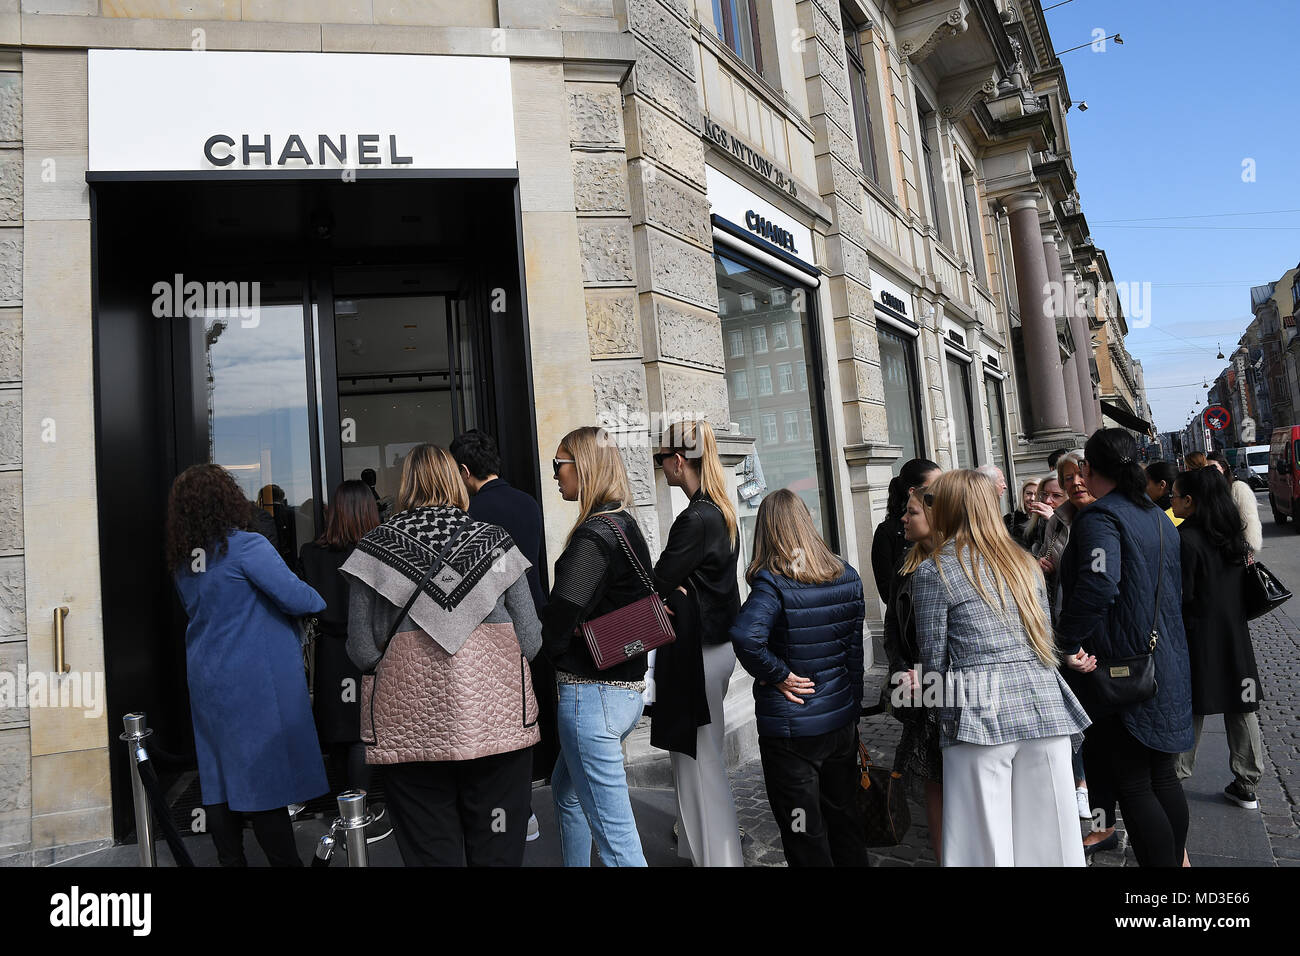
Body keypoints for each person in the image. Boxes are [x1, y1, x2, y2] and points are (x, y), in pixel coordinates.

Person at [342, 444, 542, 867]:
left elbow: (360, 650)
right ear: (457, 480)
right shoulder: (494, 544)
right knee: (497, 850)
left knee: (433, 853)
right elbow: (530, 639)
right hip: (496, 726)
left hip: (410, 731)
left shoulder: (374, 550)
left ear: (405, 485)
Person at [912, 470, 1090, 867]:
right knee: (1053, 843)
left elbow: (934, 663)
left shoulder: (934, 571)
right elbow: (1044, 637)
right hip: (1041, 703)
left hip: (977, 711)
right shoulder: (1024, 563)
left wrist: (941, 723)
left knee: (982, 845)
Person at [167, 463, 329, 867]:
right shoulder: (246, 546)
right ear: (227, 499)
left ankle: (231, 861)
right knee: (264, 783)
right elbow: (302, 599)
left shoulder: (186, 559)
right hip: (253, 679)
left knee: (219, 780)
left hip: (206, 677)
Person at [1057, 429, 1194, 867]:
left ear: (1090, 471)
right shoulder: (1155, 515)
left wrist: (1065, 640)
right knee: (1162, 777)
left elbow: (1099, 583)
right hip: (1164, 662)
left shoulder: (1102, 518)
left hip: (1123, 668)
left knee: (1135, 784)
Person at [730, 489, 867, 867]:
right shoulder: (846, 574)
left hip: (793, 734)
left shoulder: (773, 583)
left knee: (803, 831)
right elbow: (853, 655)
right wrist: (852, 710)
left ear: (767, 531)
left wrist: (778, 675)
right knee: (844, 821)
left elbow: (745, 636)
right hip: (839, 723)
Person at [542, 426, 653, 866]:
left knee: (618, 845)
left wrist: (549, 646)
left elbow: (558, 620)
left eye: (559, 465)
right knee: (566, 792)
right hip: (620, 693)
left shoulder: (593, 537)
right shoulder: (625, 525)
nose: (554, 476)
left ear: (583, 467)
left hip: (592, 698)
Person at [449, 427, 553, 844]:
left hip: (490, 631)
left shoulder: (470, 515)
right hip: (532, 621)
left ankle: (506, 816)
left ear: (463, 469)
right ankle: (523, 811)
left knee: (493, 726)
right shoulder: (528, 503)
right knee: (525, 720)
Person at [651, 419, 744, 867]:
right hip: (716, 649)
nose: (661, 468)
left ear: (677, 461)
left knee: (699, 764)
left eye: (661, 459)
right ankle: (702, 851)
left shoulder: (695, 518)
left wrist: (673, 589)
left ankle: (719, 859)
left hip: (699, 653)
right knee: (698, 760)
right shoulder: (722, 512)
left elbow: (658, 579)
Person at [297, 480, 391, 844]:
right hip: (366, 648)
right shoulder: (376, 553)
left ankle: (345, 811)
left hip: (329, 651)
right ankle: (361, 815)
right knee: (361, 734)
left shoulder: (309, 553)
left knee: (337, 733)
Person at [1170, 467, 1264, 810]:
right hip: (1235, 635)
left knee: (1192, 704)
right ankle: (1247, 782)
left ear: (1191, 502)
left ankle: (1177, 773)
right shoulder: (1233, 537)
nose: (1173, 501)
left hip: (1198, 637)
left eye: (1176, 496)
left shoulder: (1187, 539)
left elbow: (1183, 594)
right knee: (1243, 706)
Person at [882, 486, 942, 857]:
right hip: (920, 694)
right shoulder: (906, 564)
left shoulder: (959, 565)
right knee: (932, 782)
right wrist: (901, 670)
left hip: (954, 691)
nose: (902, 519)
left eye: (912, 512)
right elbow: (893, 632)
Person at [870, 458, 941, 602]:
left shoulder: (950, 529)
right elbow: (889, 593)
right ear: (914, 493)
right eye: (935, 486)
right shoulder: (889, 534)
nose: (942, 491)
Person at [1205, 449, 1263, 553]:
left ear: (1224, 468)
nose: (1211, 472)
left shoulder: (1238, 488)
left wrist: (1249, 546)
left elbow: (1249, 518)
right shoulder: (1208, 492)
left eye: (1214, 467)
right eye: (1207, 469)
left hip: (1238, 548)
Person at [1023, 474, 1065, 554]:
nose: (1047, 501)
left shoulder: (1078, 521)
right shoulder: (1039, 522)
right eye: (1045, 494)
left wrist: (1054, 520)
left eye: (1056, 495)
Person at [1145, 460, 1182, 527]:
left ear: (1162, 484)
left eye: (1146, 482)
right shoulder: (1184, 513)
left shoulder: (1154, 518)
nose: (1142, 486)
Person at [1004, 477, 1039, 547]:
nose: (1032, 498)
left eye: (1036, 494)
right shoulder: (1009, 519)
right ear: (1022, 494)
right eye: (1028, 493)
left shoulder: (1047, 519)